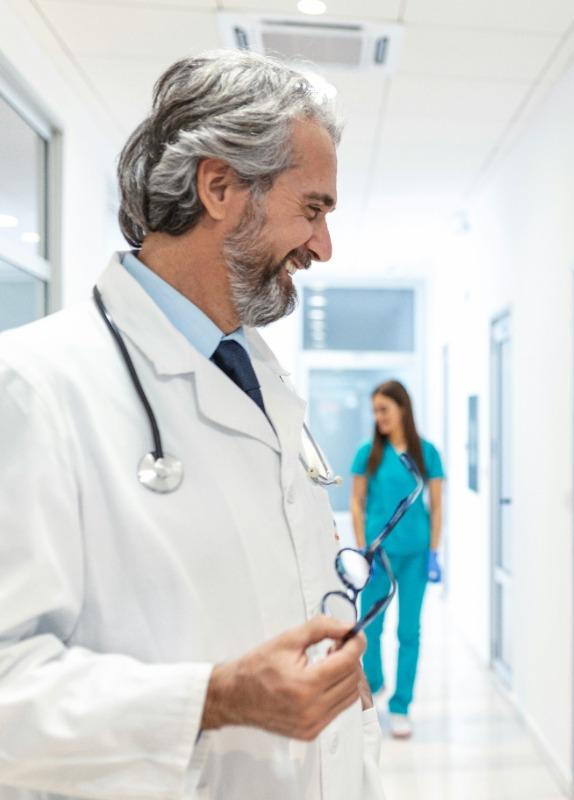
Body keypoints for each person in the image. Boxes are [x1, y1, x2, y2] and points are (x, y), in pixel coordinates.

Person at [0, 51, 386, 799]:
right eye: (312, 209)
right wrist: (215, 699)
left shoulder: (261, 379)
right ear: (219, 187)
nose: (322, 247)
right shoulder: (33, 385)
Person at [350, 380, 445, 739]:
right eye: (375, 411)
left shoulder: (427, 453)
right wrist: (362, 549)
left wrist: (434, 552)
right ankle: (373, 685)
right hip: (378, 555)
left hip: (415, 555)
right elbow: (357, 503)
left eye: (384, 410)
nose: (379, 417)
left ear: (402, 408)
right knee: (371, 628)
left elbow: (437, 508)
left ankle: (401, 705)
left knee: (409, 631)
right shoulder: (367, 453)